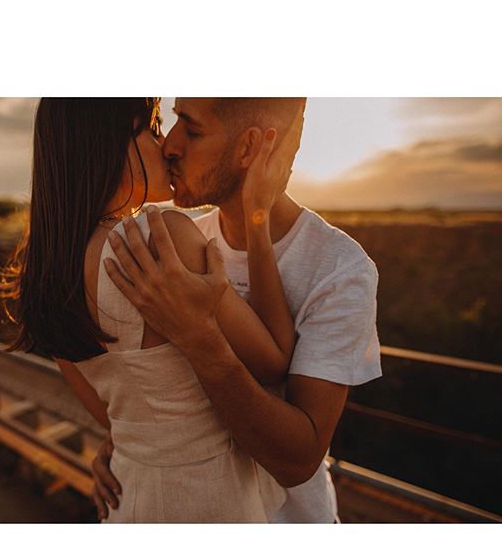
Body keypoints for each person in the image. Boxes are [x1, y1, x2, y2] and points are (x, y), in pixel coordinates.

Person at [1, 97, 305, 522]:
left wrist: (118, 447)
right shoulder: (162, 239)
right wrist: (258, 217)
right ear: (112, 143)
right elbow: (275, 358)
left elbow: (112, 416)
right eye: (153, 128)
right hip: (206, 499)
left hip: (127, 495)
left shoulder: (46, 273)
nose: (166, 145)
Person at [96, 97, 382, 523]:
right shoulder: (180, 241)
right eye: (172, 123)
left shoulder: (338, 268)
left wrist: (199, 336)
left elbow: (298, 460)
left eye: (192, 131)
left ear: (248, 149)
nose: (170, 146)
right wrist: (124, 443)